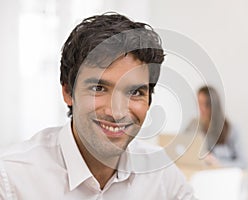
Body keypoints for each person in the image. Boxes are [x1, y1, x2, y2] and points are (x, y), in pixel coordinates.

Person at [0, 13, 196, 199]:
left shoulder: (161, 174)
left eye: (135, 92)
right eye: (99, 88)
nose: (116, 112)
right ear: (68, 92)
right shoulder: (11, 178)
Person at [186, 86, 246, 169]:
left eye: (205, 104)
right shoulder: (193, 124)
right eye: (199, 104)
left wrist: (219, 163)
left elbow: (243, 163)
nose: (201, 108)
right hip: (201, 172)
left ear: (214, 105)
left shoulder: (231, 129)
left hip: (223, 174)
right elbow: (183, 149)